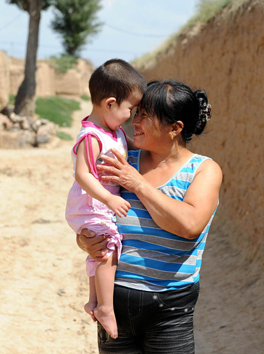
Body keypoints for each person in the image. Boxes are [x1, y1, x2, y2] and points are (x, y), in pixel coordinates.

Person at [77, 79, 222, 353]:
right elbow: (91, 211)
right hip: (115, 304)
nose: (136, 121)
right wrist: (84, 240)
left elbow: (189, 225)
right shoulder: (122, 161)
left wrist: (138, 184)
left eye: (146, 115)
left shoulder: (204, 170)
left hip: (170, 309)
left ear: (174, 128)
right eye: (137, 112)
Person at [65, 59, 147, 339]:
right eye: (129, 109)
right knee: (107, 249)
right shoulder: (91, 136)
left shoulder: (112, 131)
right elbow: (83, 175)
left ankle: (92, 300)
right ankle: (105, 308)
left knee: (100, 250)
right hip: (91, 203)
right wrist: (109, 200)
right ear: (110, 103)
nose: (131, 116)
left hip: (98, 204)